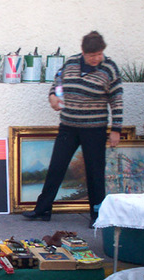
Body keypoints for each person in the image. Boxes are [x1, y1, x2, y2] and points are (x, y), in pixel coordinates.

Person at [22, 31, 123, 227]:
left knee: (95, 172)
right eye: (91, 55)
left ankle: (97, 215)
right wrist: (53, 96)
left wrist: (116, 128)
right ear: (83, 52)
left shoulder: (109, 68)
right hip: (68, 125)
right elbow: (57, 82)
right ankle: (42, 209)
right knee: (56, 167)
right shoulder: (71, 63)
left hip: (95, 128)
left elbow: (117, 99)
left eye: (99, 54)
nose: (96, 59)